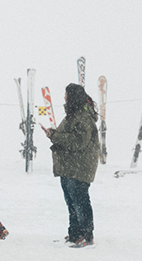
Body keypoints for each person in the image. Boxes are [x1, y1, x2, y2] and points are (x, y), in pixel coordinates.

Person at [41, 83, 100, 246]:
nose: (64, 98)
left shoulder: (82, 117)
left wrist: (56, 136)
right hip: (70, 166)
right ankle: (75, 233)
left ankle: (86, 235)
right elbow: (68, 136)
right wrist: (53, 134)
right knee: (72, 201)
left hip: (79, 167)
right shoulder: (73, 115)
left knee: (80, 201)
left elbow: (78, 141)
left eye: (66, 95)